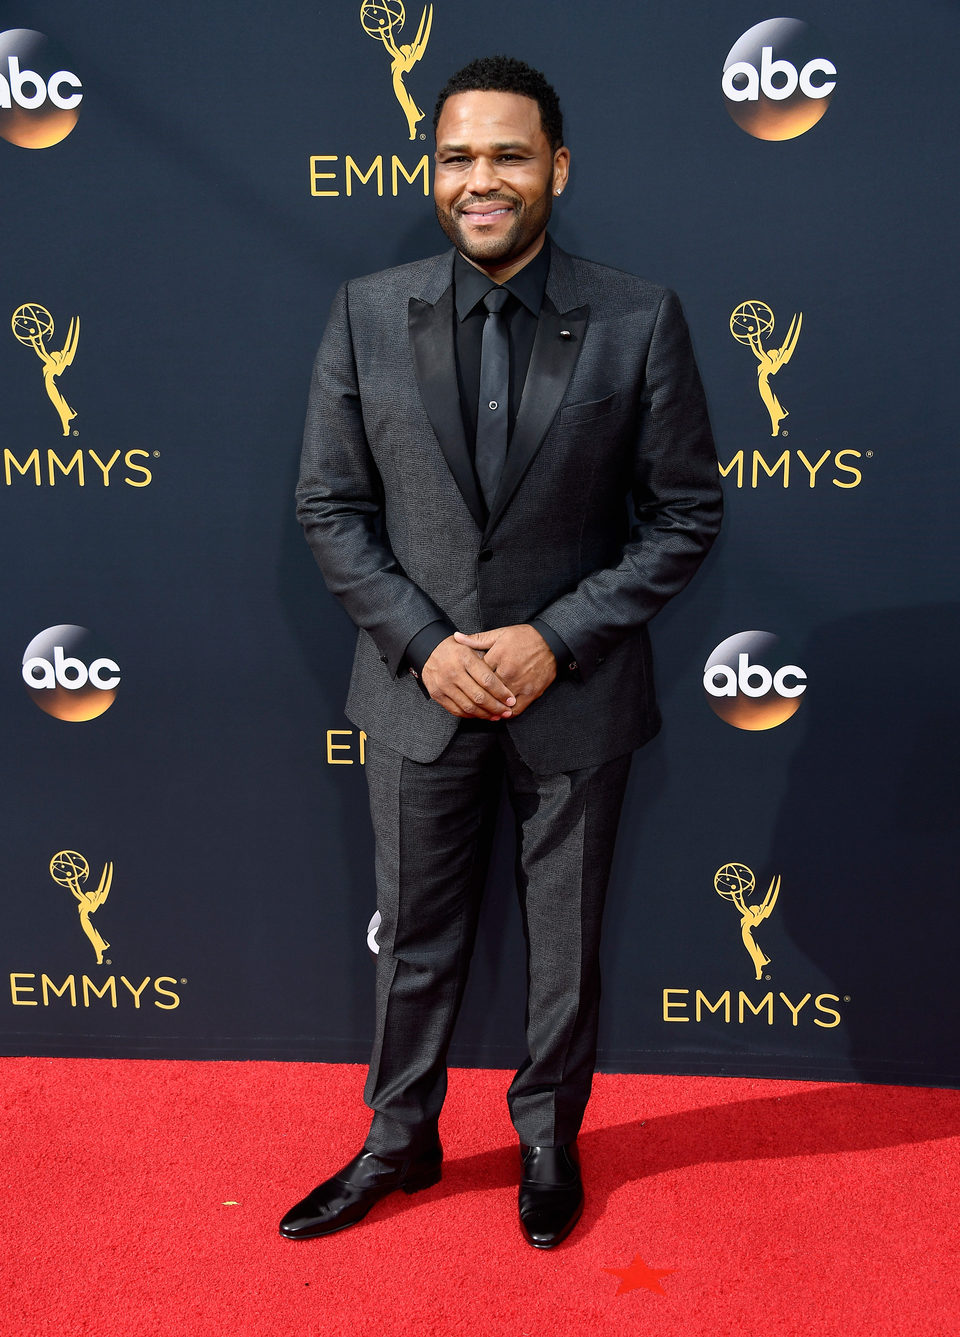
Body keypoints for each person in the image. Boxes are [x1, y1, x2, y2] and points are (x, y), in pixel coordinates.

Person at [282, 55, 722, 1249]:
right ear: (435, 171)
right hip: (415, 695)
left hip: (573, 699)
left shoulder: (638, 316)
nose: (483, 179)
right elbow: (330, 505)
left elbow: (685, 512)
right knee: (413, 933)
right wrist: (426, 645)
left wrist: (552, 638)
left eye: (509, 155)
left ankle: (546, 1138)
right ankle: (399, 1136)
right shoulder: (368, 312)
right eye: (459, 156)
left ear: (557, 168)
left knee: (564, 945)